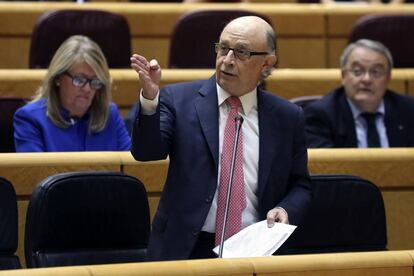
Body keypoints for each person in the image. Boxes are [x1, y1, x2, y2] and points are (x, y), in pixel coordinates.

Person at [129, 16, 312, 261]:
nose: (227, 60)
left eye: (241, 52)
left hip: (255, 249)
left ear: (267, 64)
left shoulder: (287, 117)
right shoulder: (179, 100)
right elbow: (146, 152)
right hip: (187, 249)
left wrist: (285, 209)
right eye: (223, 48)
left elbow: (300, 185)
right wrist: (150, 100)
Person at [14, 35, 131, 152]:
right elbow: (34, 170)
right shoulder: (30, 119)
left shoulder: (110, 115)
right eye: (79, 80)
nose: (87, 89)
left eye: (95, 81)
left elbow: (132, 167)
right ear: (58, 78)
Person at [304, 39, 414, 148]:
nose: (366, 79)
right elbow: (326, 164)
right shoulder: (320, 116)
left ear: (388, 78)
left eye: (376, 72)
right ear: (343, 76)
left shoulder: (409, 111)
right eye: (357, 71)